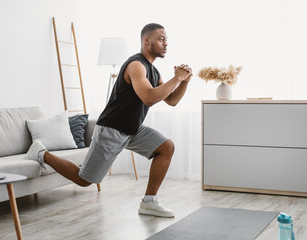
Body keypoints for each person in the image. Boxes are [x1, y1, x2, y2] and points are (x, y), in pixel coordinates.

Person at [24, 23, 192, 218]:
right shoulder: (136, 65)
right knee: (85, 180)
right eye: (161, 39)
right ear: (147, 41)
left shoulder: (153, 71)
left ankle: (149, 202)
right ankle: (41, 153)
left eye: (166, 39)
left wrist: (184, 81)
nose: (166, 43)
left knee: (166, 147)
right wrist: (177, 78)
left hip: (133, 129)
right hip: (112, 129)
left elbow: (171, 100)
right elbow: (149, 97)